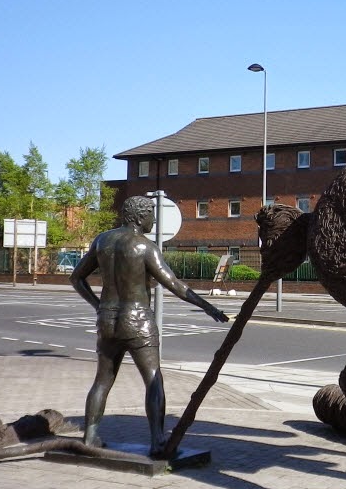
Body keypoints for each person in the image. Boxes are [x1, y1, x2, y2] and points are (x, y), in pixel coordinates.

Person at [70, 196, 230, 457]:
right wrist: (208, 307)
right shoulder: (145, 247)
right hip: (137, 320)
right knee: (153, 380)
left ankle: (89, 437)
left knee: (102, 381)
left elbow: (76, 278)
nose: (154, 220)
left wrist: (98, 305)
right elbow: (174, 284)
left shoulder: (102, 241)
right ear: (138, 216)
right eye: (151, 214)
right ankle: (157, 441)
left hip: (107, 319)